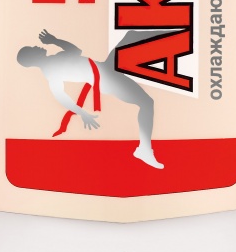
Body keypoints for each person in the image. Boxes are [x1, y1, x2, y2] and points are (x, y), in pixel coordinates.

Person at [17, 28, 164, 169]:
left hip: (105, 69)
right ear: (32, 58)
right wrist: (82, 113)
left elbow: (76, 51)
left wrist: (54, 40)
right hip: (106, 79)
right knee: (146, 103)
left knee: (130, 36)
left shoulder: (54, 60)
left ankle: (175, 34)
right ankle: (144, 150)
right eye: (32, 48)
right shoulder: (50, 71)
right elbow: (60, 96)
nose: (36, 46)